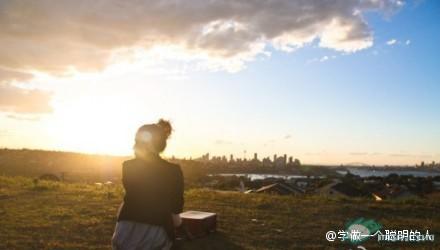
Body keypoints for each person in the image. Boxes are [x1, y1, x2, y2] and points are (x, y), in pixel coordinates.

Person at [112, 119, 184, 250]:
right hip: (155, 235)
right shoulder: (173, 171)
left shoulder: (127, 166)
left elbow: (129, 199)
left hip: (124, 232)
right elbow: (176, 210)